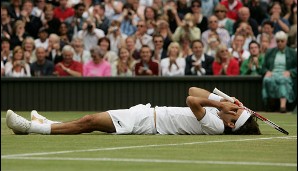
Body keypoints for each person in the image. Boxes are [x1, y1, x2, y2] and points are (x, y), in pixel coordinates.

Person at [5, 87, 261, 135]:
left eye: (237, 115)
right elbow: (194, 87)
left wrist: (219, 104)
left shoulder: (216, 125)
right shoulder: (220, 117)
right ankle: (46, 122)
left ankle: (31, 129)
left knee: (90, 121)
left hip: (146, 124)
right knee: (90, 120)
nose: (234, 110)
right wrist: (227, 100)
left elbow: (191, 99)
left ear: (230, 125)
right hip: (145, 114)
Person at [261, 31, 297, 113]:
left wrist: (290, 72)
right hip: (272, 74)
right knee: (267, 80)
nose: (280, 43)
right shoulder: (270, 52)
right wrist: (267, 71)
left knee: (283, 80)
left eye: (282, 41)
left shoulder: (293, 53)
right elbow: (263, 67)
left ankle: (282, 106)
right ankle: (271, 105)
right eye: (278, 41)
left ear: (286, 41)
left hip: (285, 74)